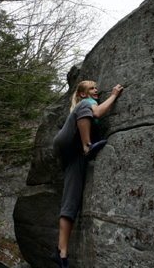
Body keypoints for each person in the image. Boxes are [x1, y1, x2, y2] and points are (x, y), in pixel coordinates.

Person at [50, 80, 123, 268]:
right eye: (92, 88)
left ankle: (61, 251)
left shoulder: (87, 106)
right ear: (83, 94)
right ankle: (87, 145)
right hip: (69, 144)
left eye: (96, 88)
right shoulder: (86, 103)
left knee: (71, 201)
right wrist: (114, 94)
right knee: (88, 112)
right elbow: (97, 112)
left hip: (73, 157)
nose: (96, 90)